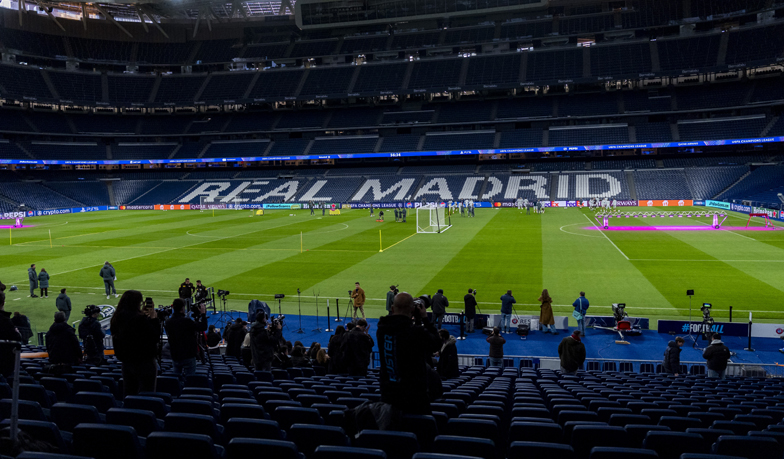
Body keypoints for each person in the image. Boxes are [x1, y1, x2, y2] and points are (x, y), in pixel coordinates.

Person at [377, 292, 442, 415]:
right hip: (414, 398)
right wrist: (424, 319)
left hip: (388, 396)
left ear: (392, 309)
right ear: (412, 309)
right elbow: (436, 344)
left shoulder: (382, 329)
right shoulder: (415, 333)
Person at [110, 290, 162, 396]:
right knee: (147, 394)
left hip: (126, 362)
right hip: (145, 362)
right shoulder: (139, 320)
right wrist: (153, 319)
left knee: (129, 392)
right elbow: (154, 337)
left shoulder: (117, 318)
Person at [165, 298, 208, 379]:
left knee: (176, 378)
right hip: (188, 355)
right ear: (182, 308)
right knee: (190, 379)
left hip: (175, 355)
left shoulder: (168, 322)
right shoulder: (187, 322)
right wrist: (203, 314)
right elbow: (203, 326)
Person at [0, 291, 23, 377]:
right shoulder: (5, 321)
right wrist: (17, 332)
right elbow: (17, 338)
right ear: (3, 303)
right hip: (4, 363)